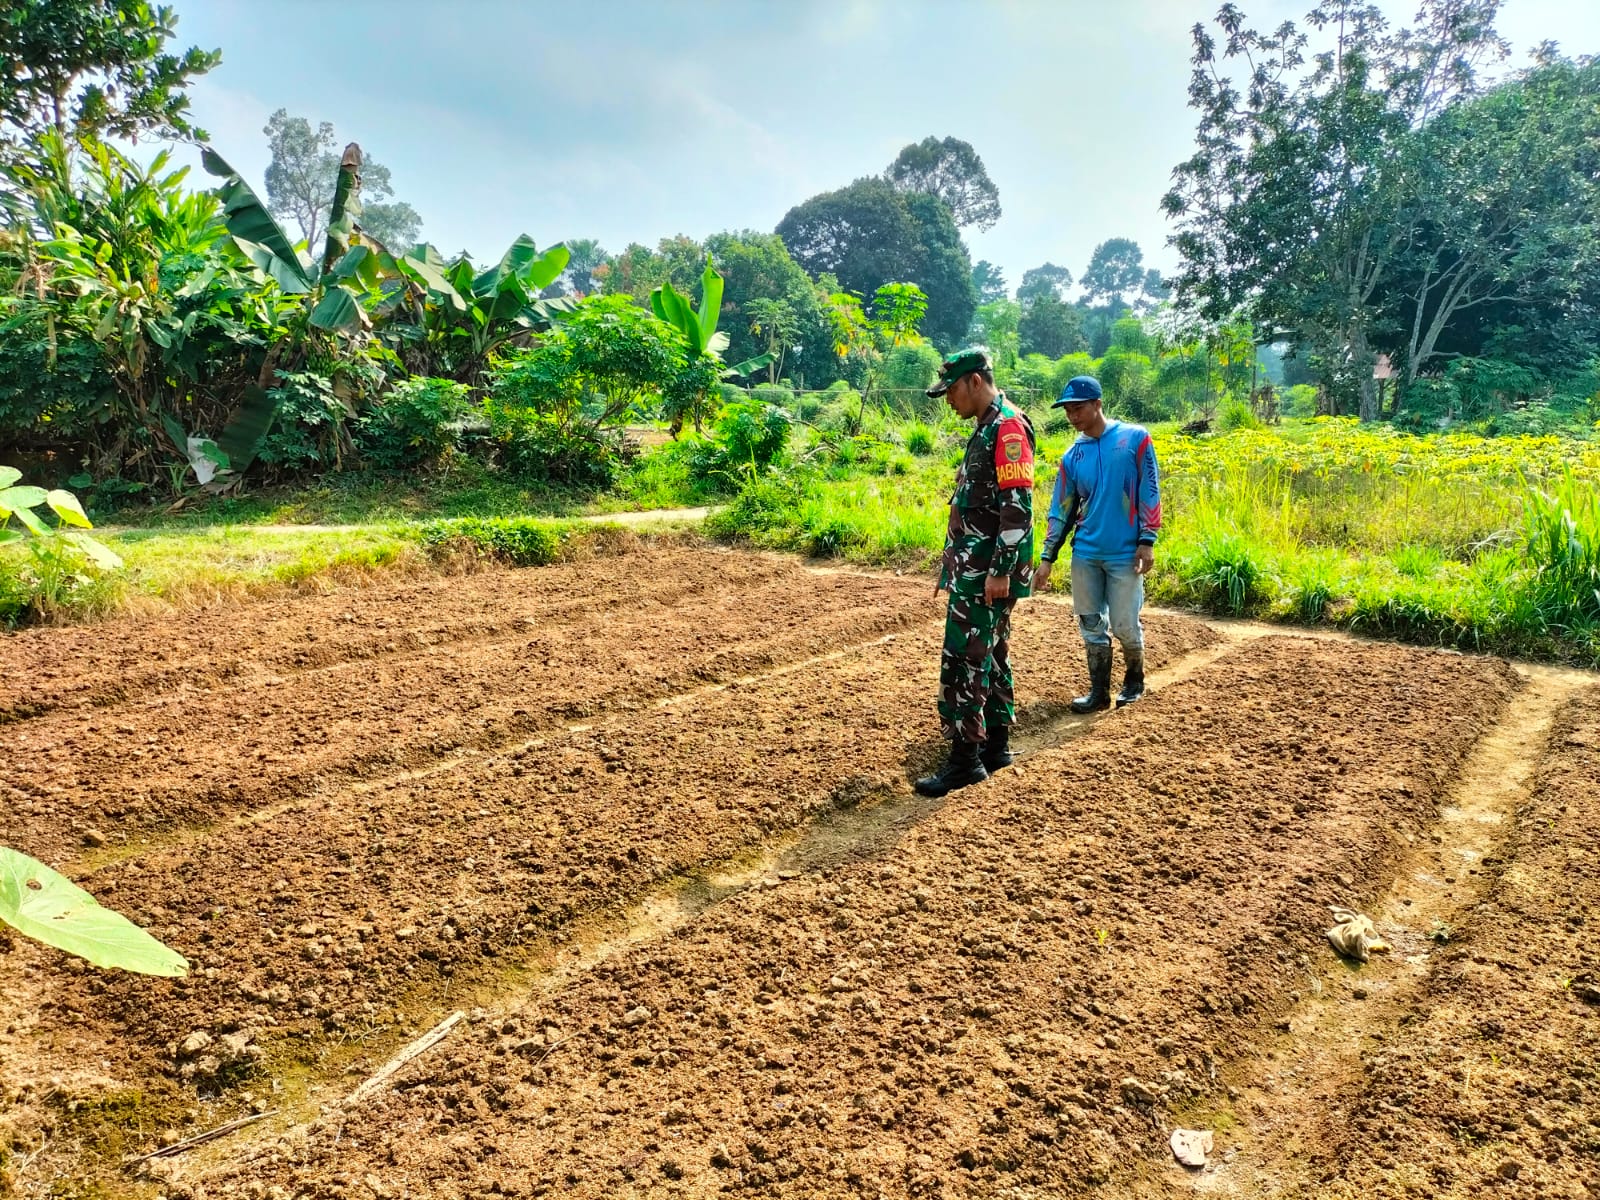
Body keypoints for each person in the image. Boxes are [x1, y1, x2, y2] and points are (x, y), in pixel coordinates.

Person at [914, 348, 1037, 798]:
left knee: (965, 660)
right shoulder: (989, 425)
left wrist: (999, 571)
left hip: (986, 570)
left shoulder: (1005, 428)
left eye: (951, 391)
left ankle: (965, 760)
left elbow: (1018, 506)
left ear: (974, 382)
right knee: (990, 653)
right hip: (978, 566)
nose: (948, 400)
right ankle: (996, 746)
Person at [1034, 375, 1162, 712]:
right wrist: (1047, 557)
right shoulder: (1073, 456)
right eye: (1068, 410)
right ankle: (1098, 693)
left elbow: (1150, 489)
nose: (1072, 416)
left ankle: (1134, 681)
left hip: (1125, 552)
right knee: (1090, 623)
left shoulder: (1135, 439)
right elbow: (1060, 510)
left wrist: (1147, 539)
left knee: (1124, 624)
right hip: (1086, 553)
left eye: (1078, 408)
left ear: (1097, 404)